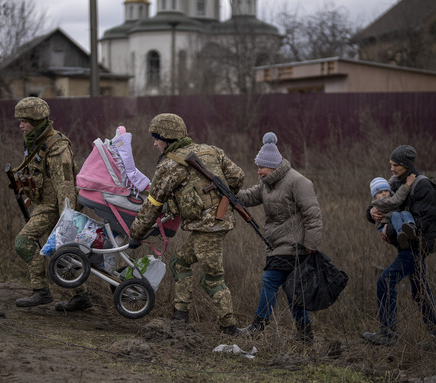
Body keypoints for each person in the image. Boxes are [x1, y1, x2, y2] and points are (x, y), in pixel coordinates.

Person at [128, 113, 244, 336]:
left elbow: (152, 205)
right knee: (179, 263)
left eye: (157, 138)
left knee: (212, 279)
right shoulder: (213, 150)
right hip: (215, 224)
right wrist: (219, 198)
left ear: (168, 138)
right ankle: (180, 317)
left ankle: (229, 328)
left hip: (208, 228)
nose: (154, 143)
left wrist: (135, 234)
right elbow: (238, 177)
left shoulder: (169, 165)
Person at [236, 132, 322, 343]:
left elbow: (313, 214)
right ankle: (305, 333)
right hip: (276, 244)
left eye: (261, 167)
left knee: (269, 280)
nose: (258, 171)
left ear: (273, 166)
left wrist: (310, 245)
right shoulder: (268, 184)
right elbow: (248, 197)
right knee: (292, 290)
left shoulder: (298, 182)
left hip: (294, 245)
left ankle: (258, 325)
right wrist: (228, 193)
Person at [12, 97, 92, 311]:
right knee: (61, 249)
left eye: (24, 121)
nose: (20, 125)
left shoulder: (57, 148)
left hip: (56, 206)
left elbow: (65, 186)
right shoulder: (34, 141)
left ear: (36, 121)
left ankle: (40, 291)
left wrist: (68, 219)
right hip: (44, 203)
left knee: (23, 241)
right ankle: (81, 296)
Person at [362, 145, 436, 346]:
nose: (391, 168)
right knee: (420, 291)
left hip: (417, 246)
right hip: (407, 246)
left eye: (395, 165)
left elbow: (424, 223)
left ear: (405, 165)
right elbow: (382, 202)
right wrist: (371, 213)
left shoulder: (422, 186)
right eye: (390, 164)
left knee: (385, 281)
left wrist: (389, 231)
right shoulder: (397, 182)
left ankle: (387, 334)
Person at [369, 175, 417, 249]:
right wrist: (407, 185)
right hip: (384, 224)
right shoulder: (381, 201)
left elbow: (389, 184)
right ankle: (401, 234)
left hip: (393, 219)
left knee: (405, 213)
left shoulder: (387, 194)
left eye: (386, 191)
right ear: (374, 196)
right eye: (380, 192)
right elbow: (396, 200)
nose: (384, 193)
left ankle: (411, 227)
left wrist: (395, 175)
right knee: (395, 214)